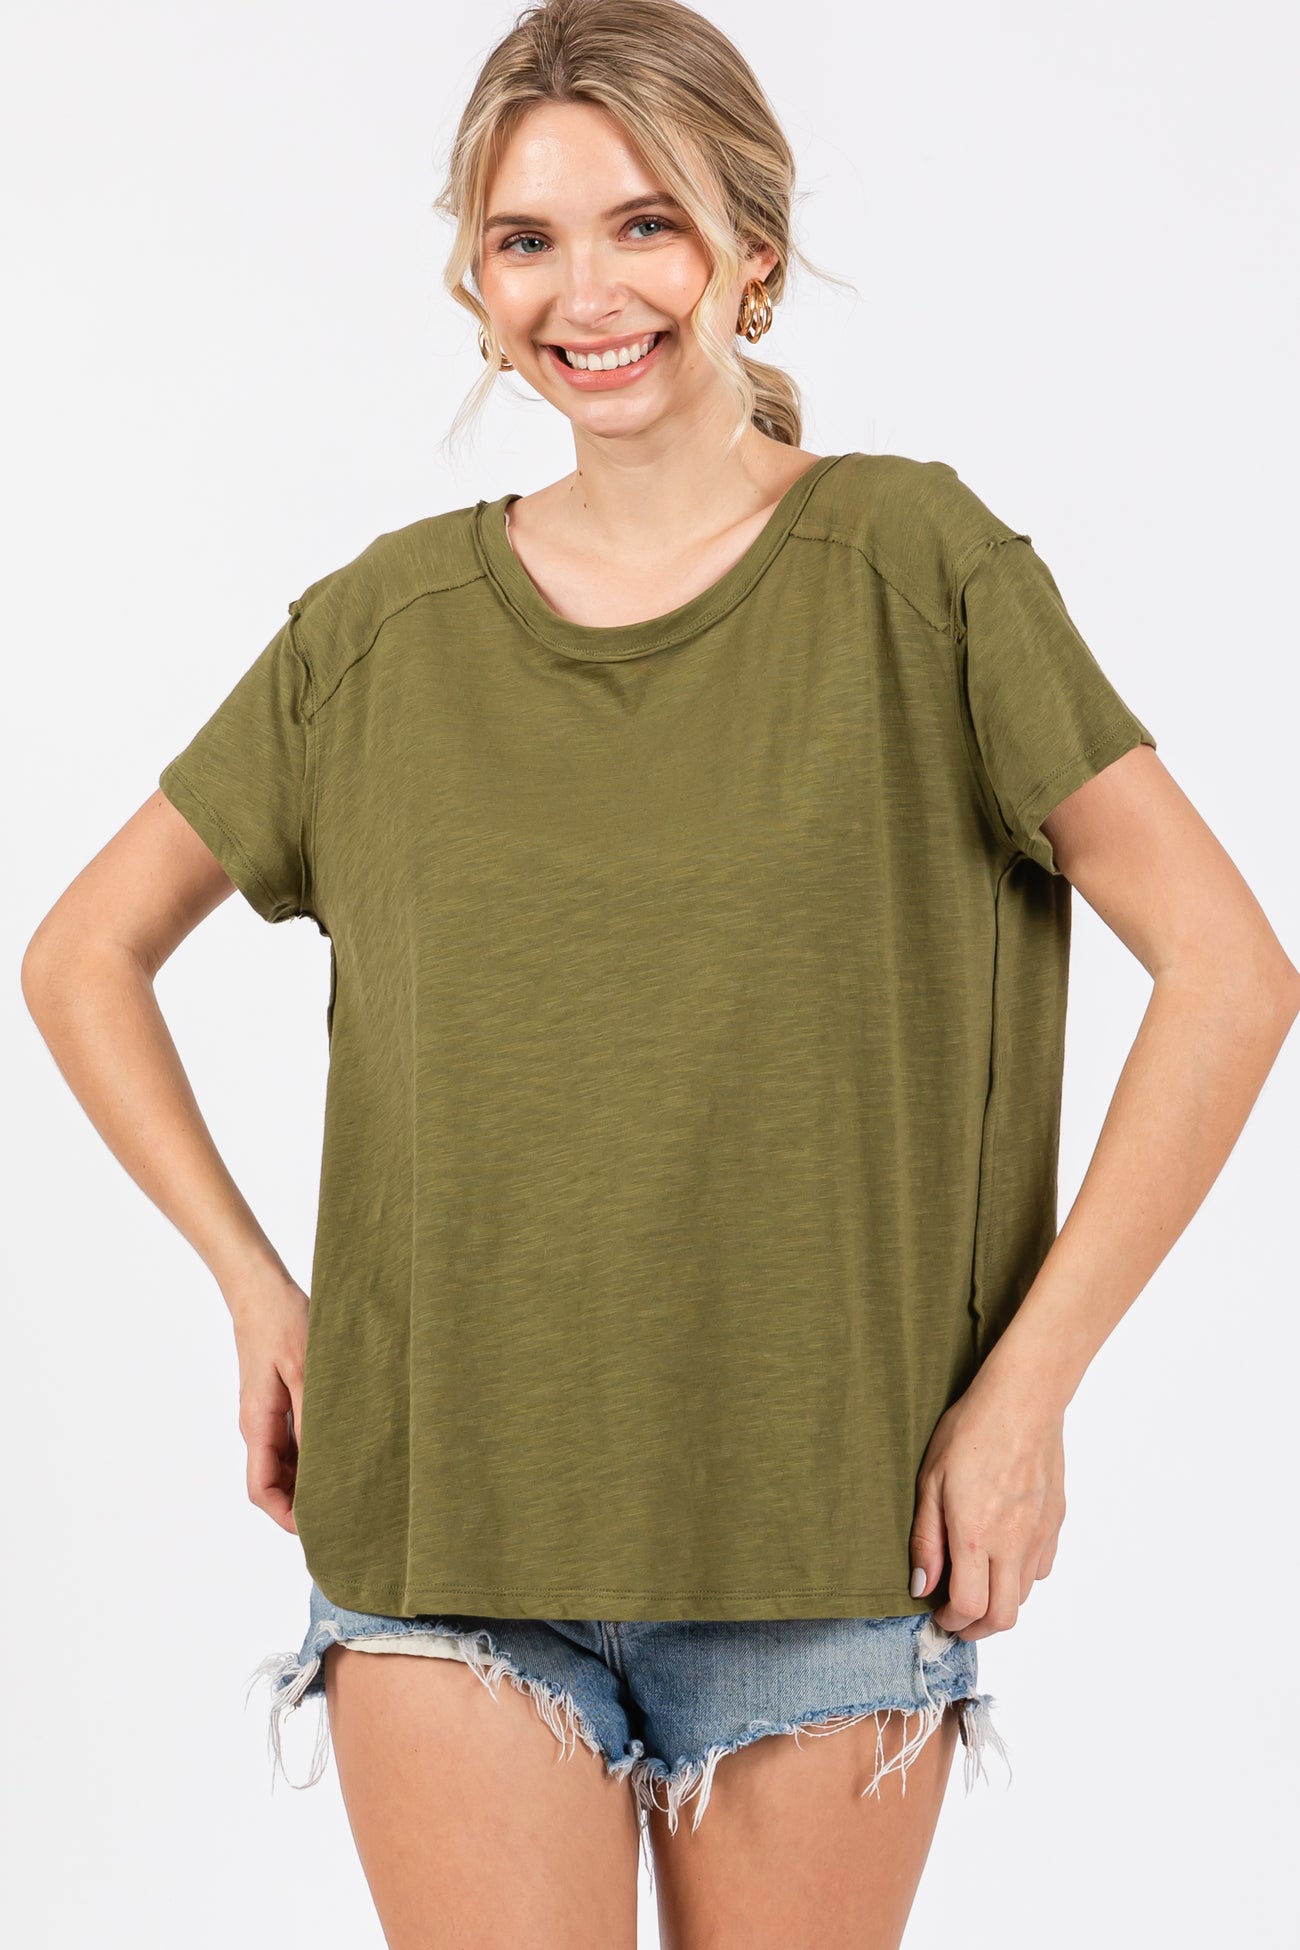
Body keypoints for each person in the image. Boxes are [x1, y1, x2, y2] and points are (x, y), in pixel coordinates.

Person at [20, 1, 1300, 1945]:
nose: (585, 292)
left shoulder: (917, 569)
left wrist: (1025, 1394)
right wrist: (255, 1285)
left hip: (830, 1530)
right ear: (475, 280)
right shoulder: (378, 632)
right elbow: (82, 953)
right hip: (441, 1534)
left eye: (645, 224)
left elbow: (1227, 970)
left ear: (748, 251)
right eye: (524, 239)